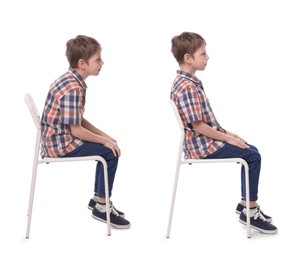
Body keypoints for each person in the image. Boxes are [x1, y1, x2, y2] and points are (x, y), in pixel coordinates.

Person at [170, 31, 277, 234]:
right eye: (203, 53)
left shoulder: (188, 82)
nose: (207, 57)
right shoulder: (187, 88)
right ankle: (250, 211)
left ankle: (246, 203)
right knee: (253, 157)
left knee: (251, 149)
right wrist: (227, 138)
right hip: (202, 147)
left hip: (204, 140)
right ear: (188, 58)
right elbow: (198, 126)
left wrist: (231, 134)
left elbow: (207, 122)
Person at [41, 35, 130, 229]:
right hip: (60, 145)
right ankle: (102, 206)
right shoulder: (73, 88)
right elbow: (76, 130)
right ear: (82, 63)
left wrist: (104, 136)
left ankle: (98, 198)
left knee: (107, 146)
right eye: (98, 60)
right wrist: (105, 142)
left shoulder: (70, 79)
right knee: (109, 153)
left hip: (56, 138)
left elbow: (77, 120)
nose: (102, 63)